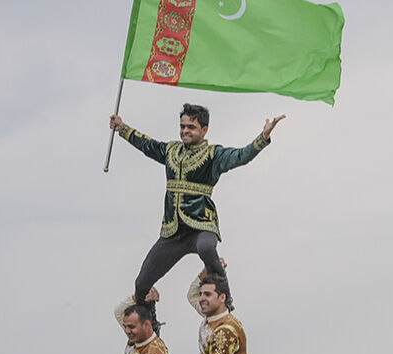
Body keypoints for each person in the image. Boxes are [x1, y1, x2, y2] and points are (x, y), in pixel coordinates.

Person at [108, 103, 285, 305]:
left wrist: (263, 138)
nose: (185, 131)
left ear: (204, 129)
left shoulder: (213, 155)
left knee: (207, 249)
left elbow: (240, 156)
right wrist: (122, 128)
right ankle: (147, 320)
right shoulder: (171, 150)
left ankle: (226, 301)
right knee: (141, 283)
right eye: (182, 126)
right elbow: (147, 144)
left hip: (201, 225)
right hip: (172, 232)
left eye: (191, 127)